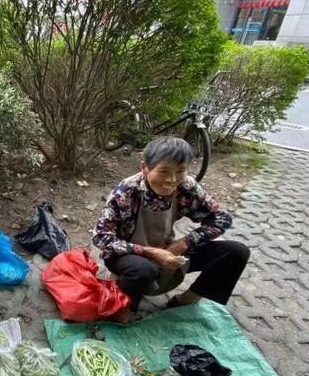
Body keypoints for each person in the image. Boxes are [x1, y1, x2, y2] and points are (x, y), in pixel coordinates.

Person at [92, 136, 250, 320]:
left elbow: (221, 219)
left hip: (168, 249)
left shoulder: (187, 186)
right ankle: (123, 309)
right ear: (144, 167)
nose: (171, 180)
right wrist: (148, 252)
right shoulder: (126, 192)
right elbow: (101, 237)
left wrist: (183, 243)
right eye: (164, 171)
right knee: (143, 270)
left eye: (180, 171)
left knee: (236, 252)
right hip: (129, 256)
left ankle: (186, 300)